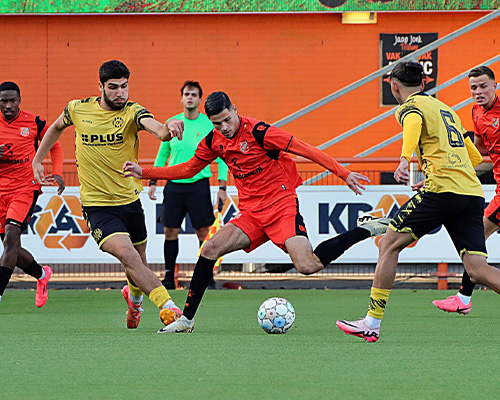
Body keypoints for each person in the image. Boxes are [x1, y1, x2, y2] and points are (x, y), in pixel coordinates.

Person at [123, 90, 391, 334]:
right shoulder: (213, 141)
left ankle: (365, 228)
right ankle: (187, 320)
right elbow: (188, 169)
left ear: (235, 109)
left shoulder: (261, 132)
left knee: (308, 265)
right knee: (209, 249)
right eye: (217, 123)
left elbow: (305, 149)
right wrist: (146, 172)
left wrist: (343, 173)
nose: (224, 128)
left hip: (282, 205)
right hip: (251, 213)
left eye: (227, 120)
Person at [336, 61, 500, 342]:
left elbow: (412, 123)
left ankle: (371, 323)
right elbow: (473, 157)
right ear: (424, 85)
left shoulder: (410, 107)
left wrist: (405, 159)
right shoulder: (446, 109)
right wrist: (439, 172)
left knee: (388, 243)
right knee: (477, 269)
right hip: (471, 193)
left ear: (394, 86)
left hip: (443, 191)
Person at [32, 60, 184, 331]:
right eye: (113, 88)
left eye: (124, 87)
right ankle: (169, 307)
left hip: (130, 202)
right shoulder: (77, 109)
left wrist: (170, 125)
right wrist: (37, 161)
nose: (120, 93)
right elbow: (55, 128)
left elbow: (158, 130)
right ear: (100, 86)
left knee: (138, 262)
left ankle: (134, 303)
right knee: (129, 256)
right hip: (98, 207)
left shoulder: (133, 112)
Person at [433, 66, 500, 315]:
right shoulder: (476, 112)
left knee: (475, 238)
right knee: (475, 240)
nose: (478, 91)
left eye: (483, 86)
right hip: (497, 186)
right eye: (474, 87)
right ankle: (463, 298)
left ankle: (463, 298)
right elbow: (478, 148)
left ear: (495, 85)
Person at [148, 81, 228, 290]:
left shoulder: (209, 125)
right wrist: (153, 180)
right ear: (181, 98)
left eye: (194, 94)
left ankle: (206, 278)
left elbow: (221, 158)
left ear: (200, 99)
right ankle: (168, 278)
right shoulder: (172, 123)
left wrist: (222, 187)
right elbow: (163, 153)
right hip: (174, 186)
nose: (190, 97)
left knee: (203, 233)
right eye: (186, 94)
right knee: (170, 232)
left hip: (198, 185)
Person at [0, 81, 65, 307]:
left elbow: (55, 145)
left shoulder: (34, 122)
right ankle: (41, 273)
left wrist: (56, 172)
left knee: (10, 239)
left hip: (25, 188)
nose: (8, 105)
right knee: (13, 249)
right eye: (3, 101)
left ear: (19, 100)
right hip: (1, 191)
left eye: (12, 101)